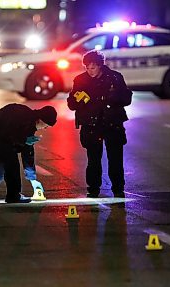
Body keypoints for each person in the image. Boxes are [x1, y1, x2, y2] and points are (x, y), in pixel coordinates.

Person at [67, 50, 132, 198]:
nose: (90, 71)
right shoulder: (80, 80)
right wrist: (79, 99)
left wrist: (112, 97)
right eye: (87, 68)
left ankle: (118, 188)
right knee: (93, 159)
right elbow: (71, 103)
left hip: (112, 123)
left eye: (93, 67)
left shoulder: (115, 77)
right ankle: (93, 188)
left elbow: (127, 99)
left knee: (115, 158)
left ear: (100, 65)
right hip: (91, 125)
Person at [0, 103, 57, 203]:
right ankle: (13, 196)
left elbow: (27, 153)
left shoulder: (30, 126)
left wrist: (32, 179)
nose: (45, 128)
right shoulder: (22, 115)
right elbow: (5, 134)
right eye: (46, 125)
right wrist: (24, 140)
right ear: (41, 120)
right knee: (11, 161)